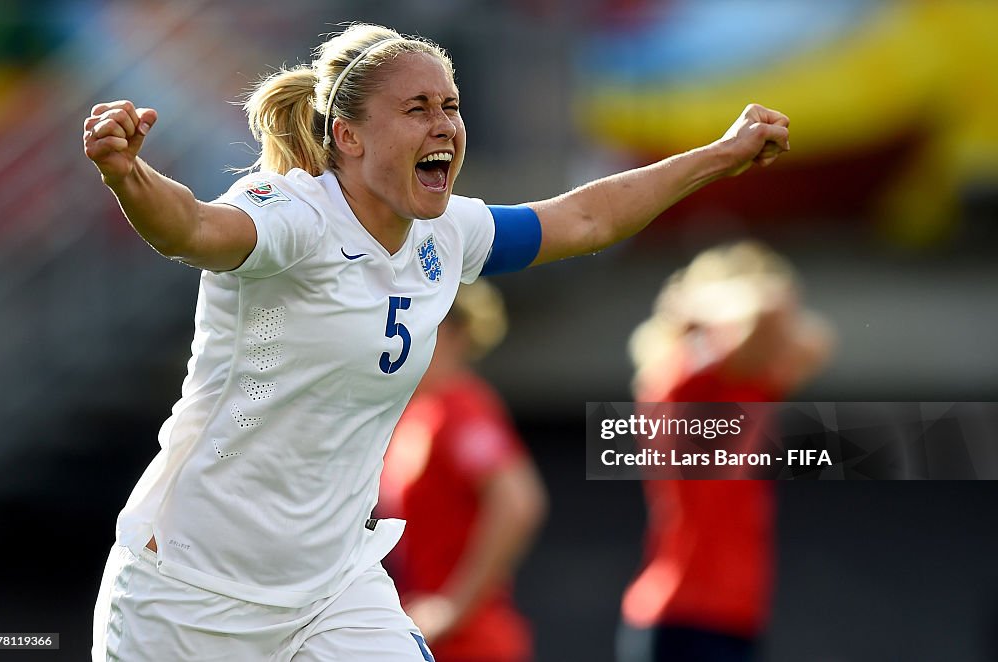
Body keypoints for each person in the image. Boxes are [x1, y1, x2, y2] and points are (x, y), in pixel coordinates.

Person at [82, 21, 789, 661]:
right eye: (416, 109)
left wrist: (716, 157)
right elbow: (194, 229)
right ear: (349, 136)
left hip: (329, 587)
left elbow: (584, 221)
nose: (443, 124)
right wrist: (128, 174)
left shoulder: (445, 233)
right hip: (189, 589)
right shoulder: (294, 215)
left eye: (450, 106)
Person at [617, 241, 834, 662]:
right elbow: (770, 306)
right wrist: (698, 303)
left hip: (736, 611)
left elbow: (816, 341)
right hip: (682, 612)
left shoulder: (749, 386)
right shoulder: (680, 374)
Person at [378, 280, 547, 662]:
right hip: (427, 637)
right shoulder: (417, 415)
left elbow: (518, 501)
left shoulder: (460, 406)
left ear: (453, 333)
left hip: (472, 642)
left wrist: (453, 606)